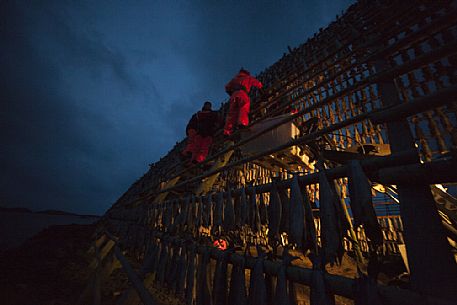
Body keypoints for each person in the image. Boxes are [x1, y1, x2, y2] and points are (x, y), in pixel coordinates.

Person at [223, 68, 263, 136]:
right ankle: (242, 123)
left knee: (232, 113)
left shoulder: (234, 79)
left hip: (234, 95)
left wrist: (231, 93)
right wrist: (261, 91)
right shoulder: (248, 77)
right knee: (244, 107)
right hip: (242, 93)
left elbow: (226, 87)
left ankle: (227, 131)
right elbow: (258, 83)